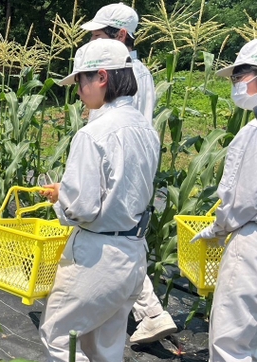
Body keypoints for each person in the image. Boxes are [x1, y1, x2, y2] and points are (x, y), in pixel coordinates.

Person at [39, 39, 160, 362]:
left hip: (98, 256)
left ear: (102, 77)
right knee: (104, 348)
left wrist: (62, 195)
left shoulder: (93, 133)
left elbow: (83, 208)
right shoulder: (144, 128)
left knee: (59, 335)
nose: (78, 90)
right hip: (133, 251)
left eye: (80, 81)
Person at [81, 2, 177, 344]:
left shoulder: (126, 74)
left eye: (96, 36)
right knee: (126, 242)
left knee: (115, 242)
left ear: (121, 35)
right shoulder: (135, 72)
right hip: (124, 167)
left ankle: (148, 312)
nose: (92, 44)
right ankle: (151, 313)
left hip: (113, 170)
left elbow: (112, 132)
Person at [189, 39, 257, 362]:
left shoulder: (253, 133)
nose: (237, 83)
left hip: (252, 243)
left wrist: (218, 228)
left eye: (241, 75)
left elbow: (240, 200)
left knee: (232, 344)